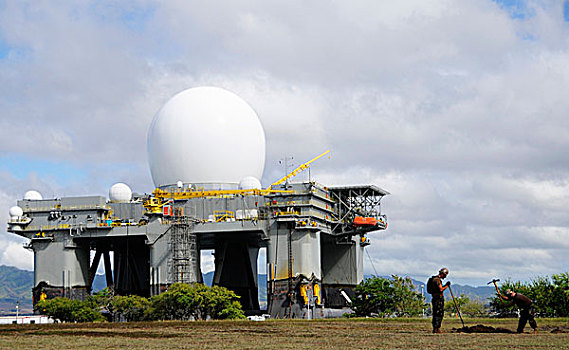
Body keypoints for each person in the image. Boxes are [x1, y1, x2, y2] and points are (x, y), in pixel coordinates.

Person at [427, 267, 450, 333]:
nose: (445, 277)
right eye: (445, 275)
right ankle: (437, 329)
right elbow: (440, 289)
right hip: (438, 299)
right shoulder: (437, 280)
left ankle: (435, 328)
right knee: (439, 314)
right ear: (443, 274)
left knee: (435, 313)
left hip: (434, 298)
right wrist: (447, 285)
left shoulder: (433, 279)